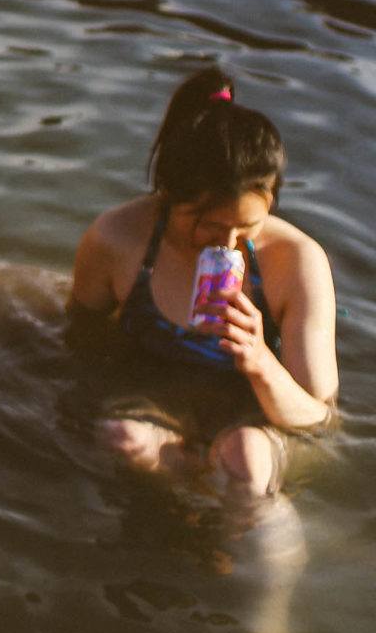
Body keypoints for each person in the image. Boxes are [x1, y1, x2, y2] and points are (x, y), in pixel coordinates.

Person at [70, 65, 337, 499]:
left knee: (246, 459)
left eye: (247, 227)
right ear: (169, 198)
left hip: (255, 424)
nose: (228, 243)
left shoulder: (297, 262)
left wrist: (259, 360)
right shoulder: (118, 239)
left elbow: (320, 420)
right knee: (123, 438)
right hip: (157, 404)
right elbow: (79, 342)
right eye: (209, 226)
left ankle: (241, 539)